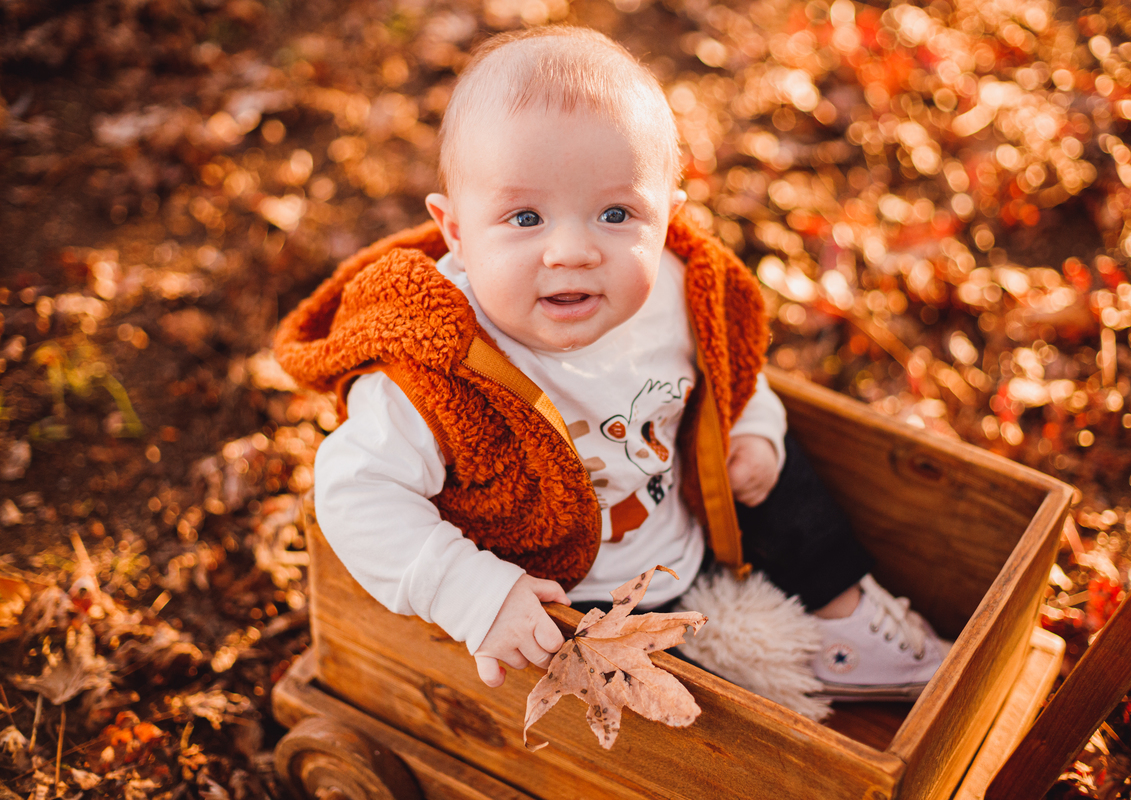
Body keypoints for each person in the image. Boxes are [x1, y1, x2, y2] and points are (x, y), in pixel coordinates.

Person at [274, 26, 949, 702]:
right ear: (456, 231)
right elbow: (353, 489)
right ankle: (763, 695)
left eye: (617, 213)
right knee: (682, 704)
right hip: (567, 601)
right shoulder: (435, 366)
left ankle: (841, 612)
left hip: (689, 524)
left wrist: (753, 432)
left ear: (667, 223)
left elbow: (730, 374)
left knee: (782, 468)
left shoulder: (680, 292)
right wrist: (475, 592)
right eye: (525, 217)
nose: (571, 250)